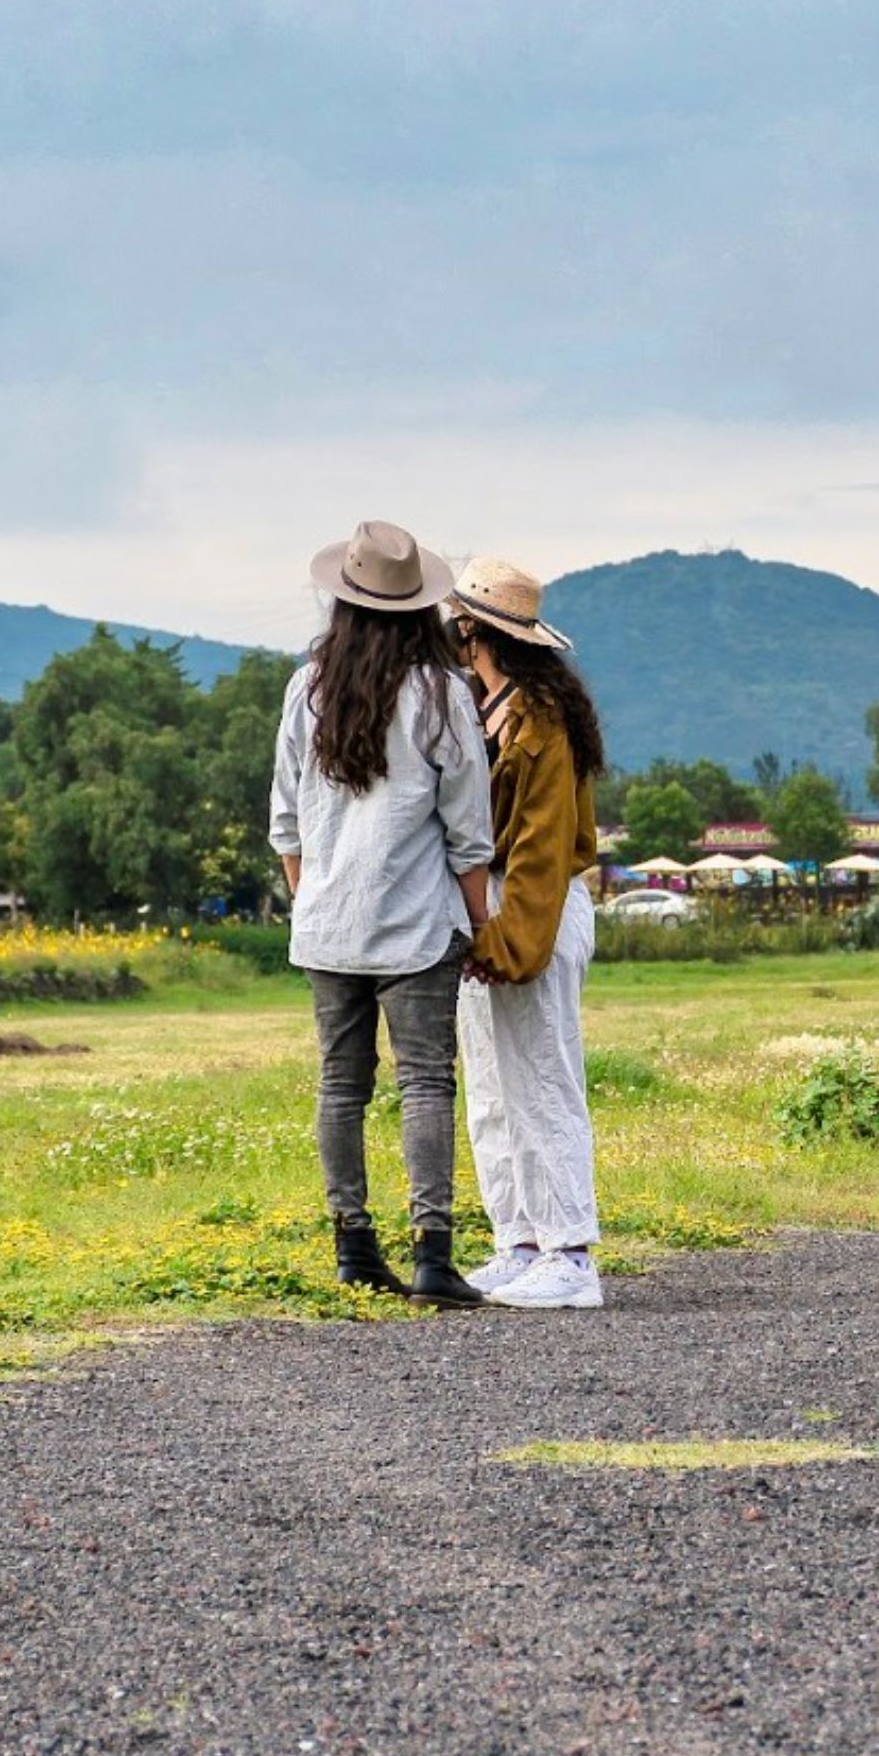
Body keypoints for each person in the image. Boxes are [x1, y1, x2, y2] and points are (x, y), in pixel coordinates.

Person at [268, 521, 495, 1308]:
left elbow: (285, 824)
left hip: (327, 925)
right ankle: (433, 1253)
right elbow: (470, 833)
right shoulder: (442, 694)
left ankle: (352, 1246)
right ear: (419, 609)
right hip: (417, 924)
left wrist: (315, 900)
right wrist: (483, 924)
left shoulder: (308, 688)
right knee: (427, 1083)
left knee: (341, 1086)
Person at [447, 559, 609, 1310]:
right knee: (493, 1087)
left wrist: (508, 942)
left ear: (475, 630)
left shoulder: (539, 723)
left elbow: (544, 850)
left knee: (542, 1078)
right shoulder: (494, 706)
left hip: (530, 911)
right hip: (498, 911)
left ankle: (569, 1253)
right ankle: (517, 1239)